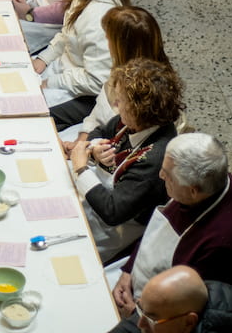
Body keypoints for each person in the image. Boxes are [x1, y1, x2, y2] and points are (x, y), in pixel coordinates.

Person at [110, 133, 232, 318]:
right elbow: (155, 235)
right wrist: (128, 271)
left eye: (167, 175)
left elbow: (189, 312)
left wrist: (141, 316)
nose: (160, 175)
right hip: (142, 282)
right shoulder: (207, 181)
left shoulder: (220, 245)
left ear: (193, 191)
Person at [69, 57, 183, 263]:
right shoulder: (133, 122)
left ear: (138, 109)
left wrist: (81, 169)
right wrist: (95, 149)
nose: (115, 104)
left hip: (117, 228)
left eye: (120, 101)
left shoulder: (155, 159)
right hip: (100, 199)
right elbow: (100, 130)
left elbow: (113, 212)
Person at [31, 0, 131, 125]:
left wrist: (50, 82)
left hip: (81, 94)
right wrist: (44, 58)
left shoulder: (99, 16)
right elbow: (68, 32)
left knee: (27, 117)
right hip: (65, 72)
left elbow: (96, 80)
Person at [62, 6, 169, 148]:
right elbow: (100, 110)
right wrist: (81, 142)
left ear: (123, 46)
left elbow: (125, 139)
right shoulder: (121, 69)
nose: (107, 45)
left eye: (109, 39)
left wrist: (86, 149)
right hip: (98, 138)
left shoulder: (147, 89)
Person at [108, 265, 232, 333]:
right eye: (140, 309)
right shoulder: (170, 309)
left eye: (151, 319)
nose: (141, 324)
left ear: (189, 322)